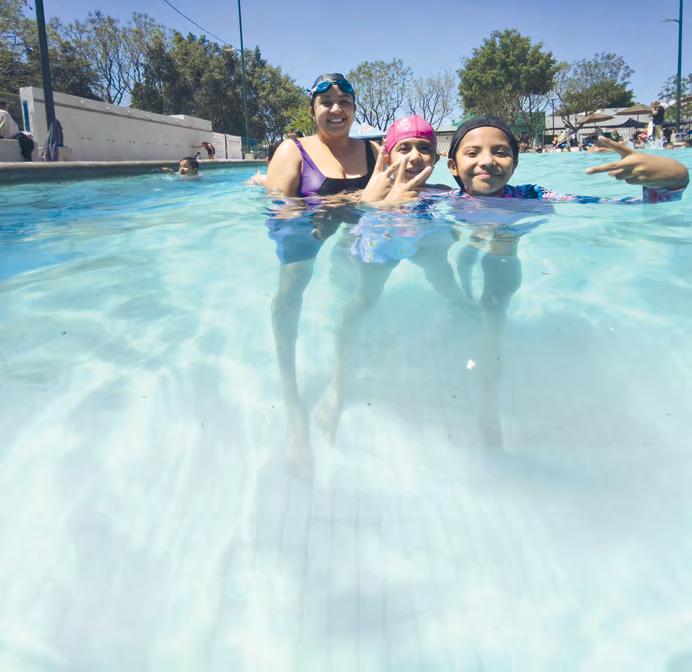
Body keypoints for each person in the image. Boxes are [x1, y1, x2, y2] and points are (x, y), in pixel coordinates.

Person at [263, 73, 380, 468]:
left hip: (354, 229)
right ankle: (293, 404)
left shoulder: (373, 151)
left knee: (364, 293)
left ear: (354, 108)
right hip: (306, 228)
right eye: (326, 101)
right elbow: (278, 210)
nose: (336, 109)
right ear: (312, 109)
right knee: (291, 289)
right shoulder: (292, 151)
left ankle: (338, 384)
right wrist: (336, 204)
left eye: (344, 101)